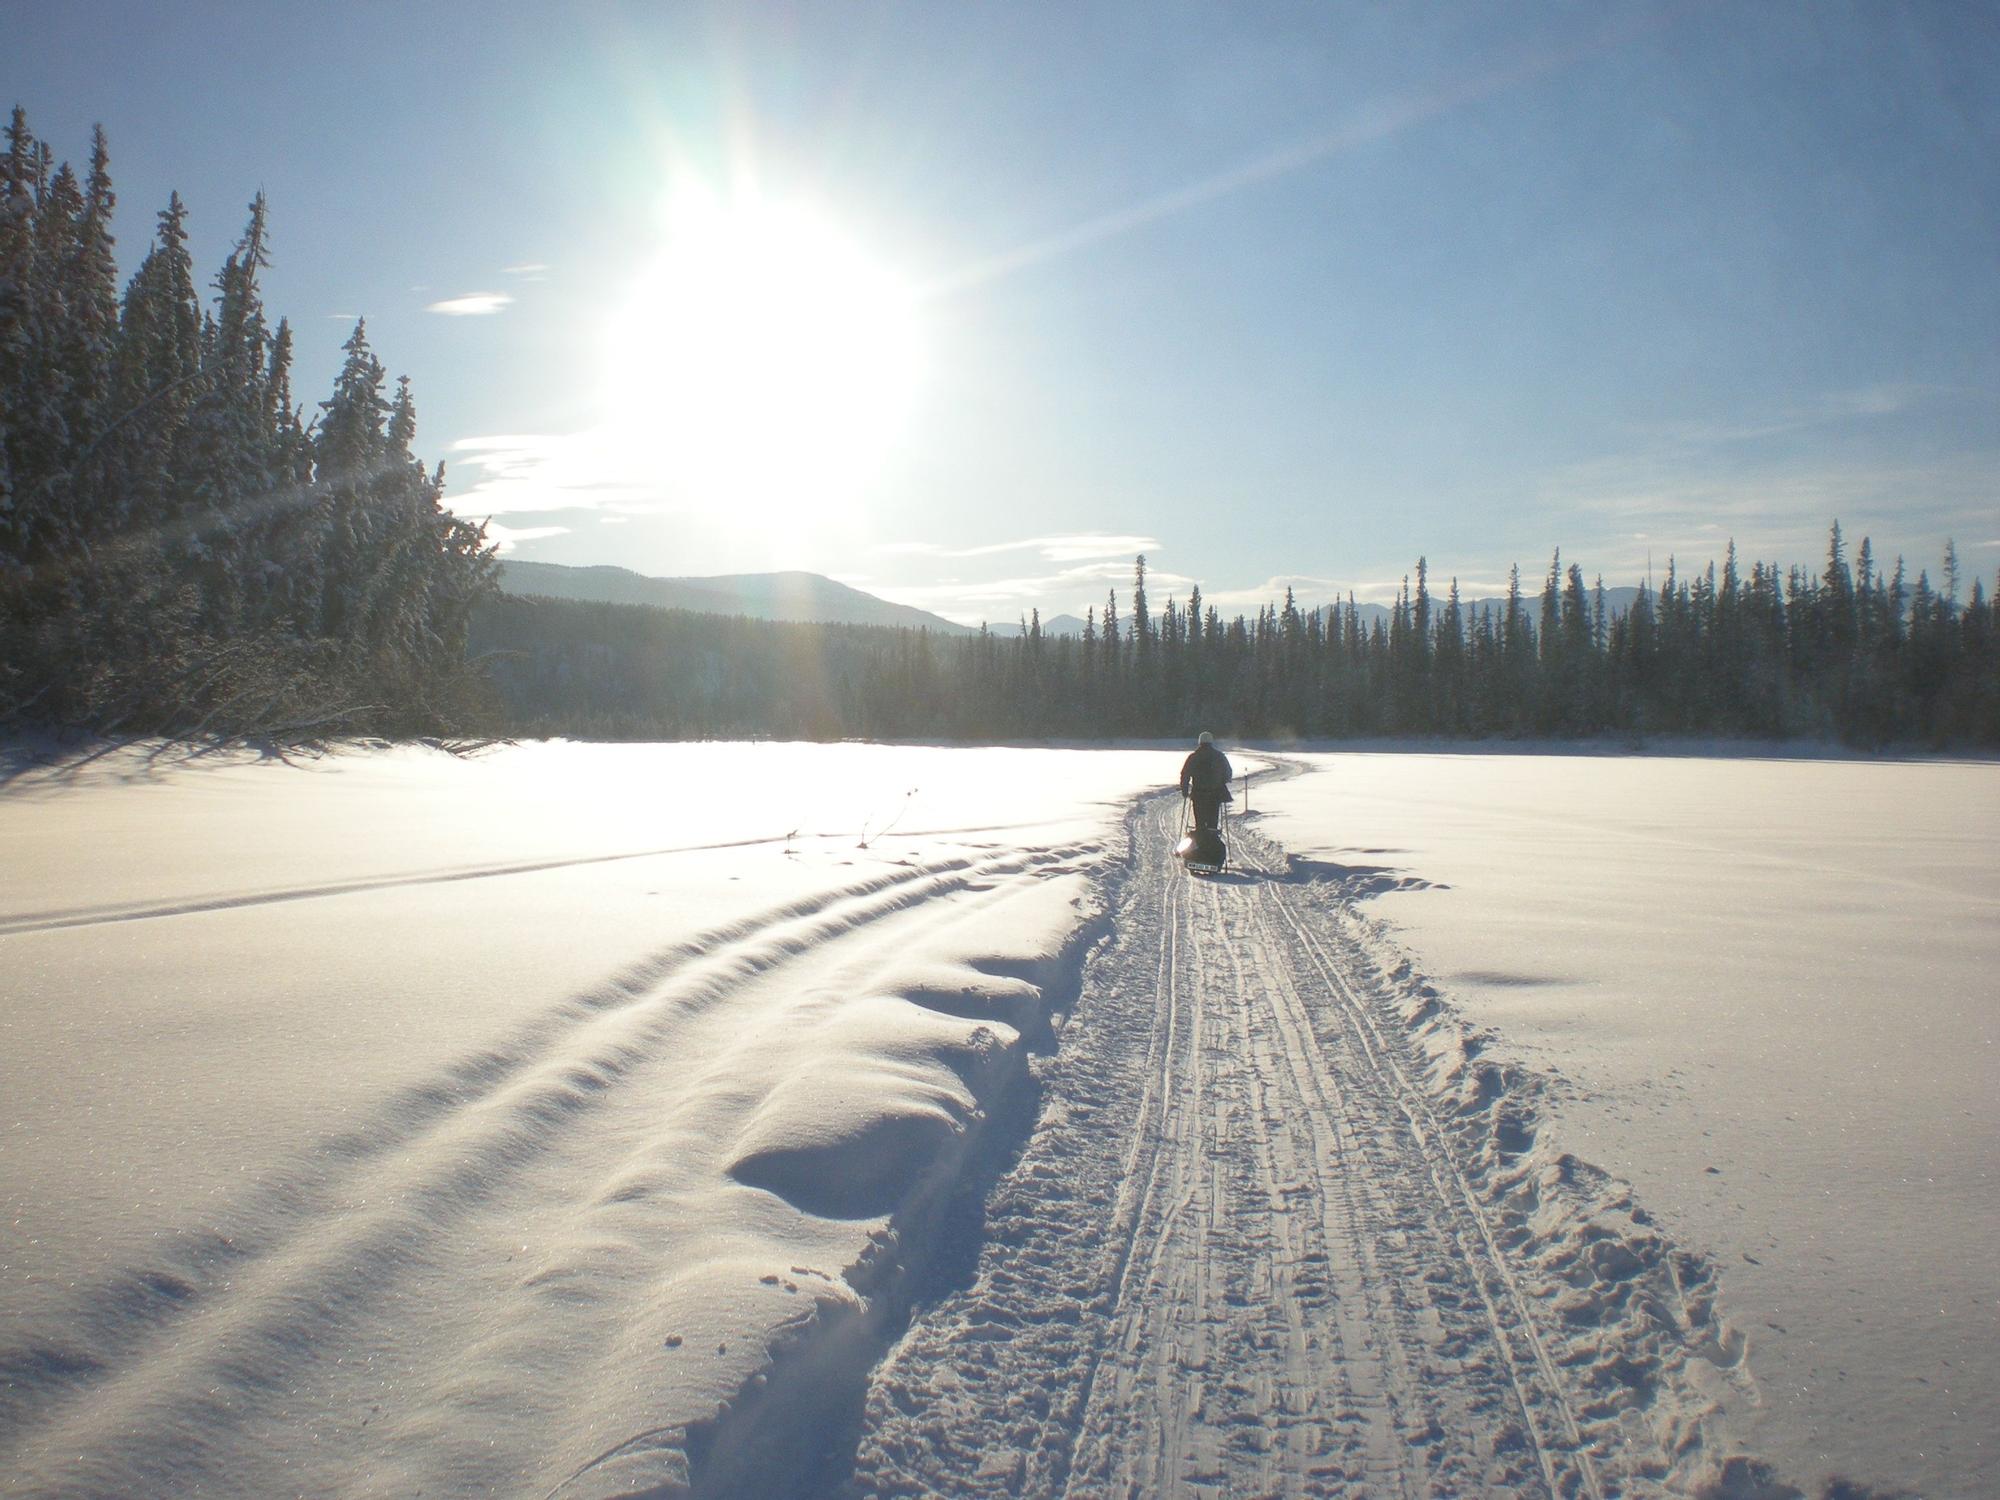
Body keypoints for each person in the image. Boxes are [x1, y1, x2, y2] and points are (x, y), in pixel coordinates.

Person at [1179, 731, 1233, 833]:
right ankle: (1212, 838)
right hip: (1215, 794)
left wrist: (1185, 790)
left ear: (1200, 742)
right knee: (1213, 821)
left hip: (1198, 794)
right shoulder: (1219, 756)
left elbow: (1185, 774)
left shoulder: (1193, 757)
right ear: (1211, 742)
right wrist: (1223, 781)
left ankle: (1200, 838)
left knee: (1200, 821)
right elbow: (1228, 773)